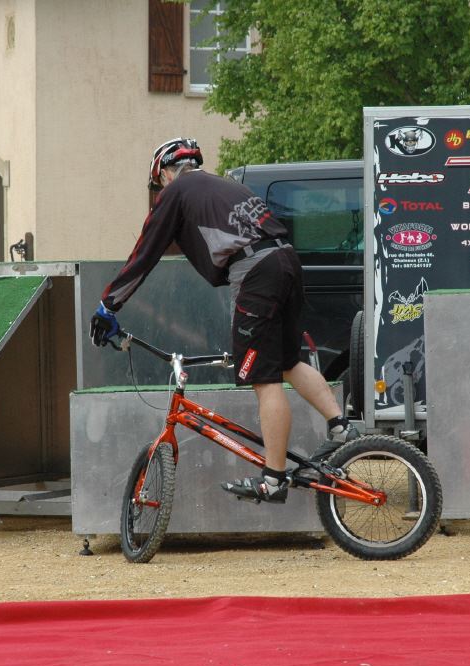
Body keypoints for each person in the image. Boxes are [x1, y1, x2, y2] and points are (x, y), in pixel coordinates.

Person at [89, 138, 359, 503]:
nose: (160, 190)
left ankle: (274, 479)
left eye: (158, 183)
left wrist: (109, 306)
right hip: (286, 261)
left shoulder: (178, 190)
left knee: (264, 379)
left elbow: (145, 252)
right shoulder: (225, 187)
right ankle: (341, 426)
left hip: (256, 273)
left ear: (165, 172)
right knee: (287, 362)